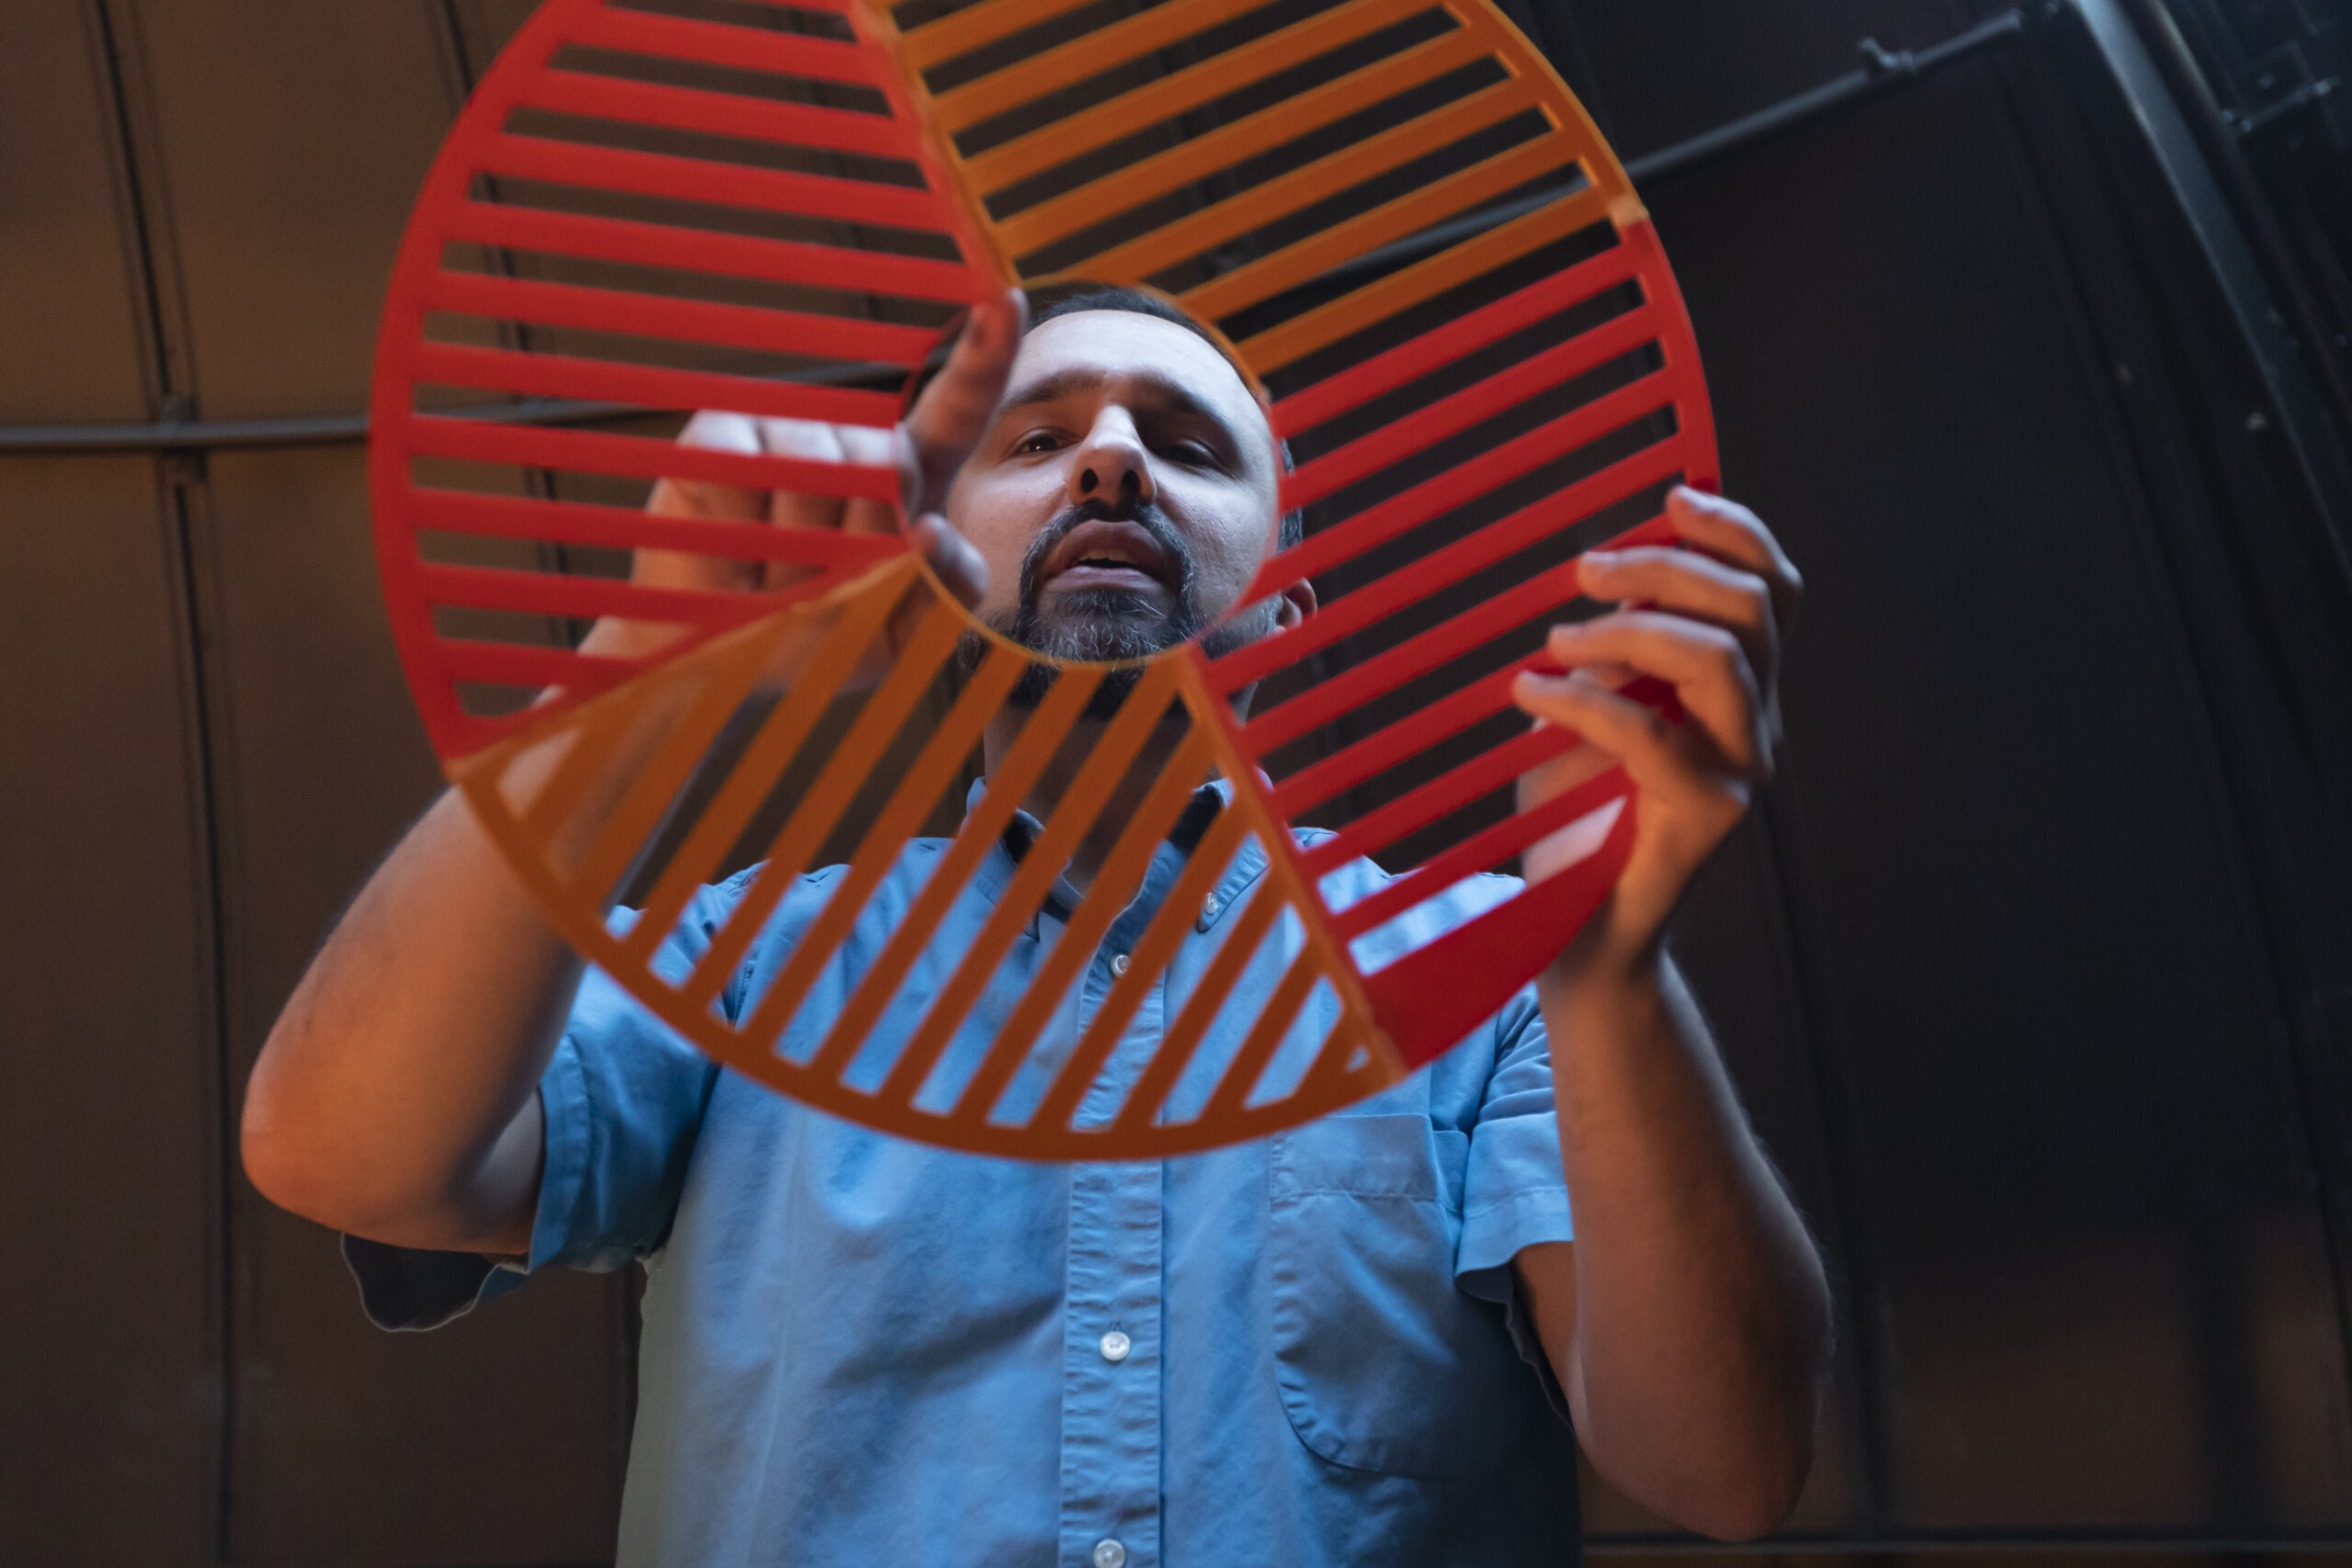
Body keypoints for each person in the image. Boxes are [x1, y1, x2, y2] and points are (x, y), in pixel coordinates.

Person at [243, 283, 1831, 1566]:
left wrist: (1612, 972)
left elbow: (1728, 1473)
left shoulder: (1496, 978)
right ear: (930, 566)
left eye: (1190, 448)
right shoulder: (741, 968)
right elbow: (339, 1154)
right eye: (1041, 437)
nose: (1113, 461)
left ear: (1281, 593)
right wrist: (648, 671)